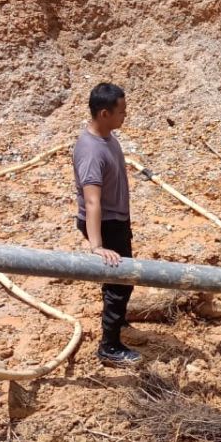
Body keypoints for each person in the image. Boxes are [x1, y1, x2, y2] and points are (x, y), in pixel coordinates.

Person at [73, 82, 141, 366]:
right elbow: (92, 202)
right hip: (106, 222)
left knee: (120, 280)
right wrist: (97, 245)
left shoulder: (108, 137)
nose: (125, 115)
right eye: (121, 111)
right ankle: (109, 347)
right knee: (120, 282)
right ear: (104, 114)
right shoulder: (91, 152)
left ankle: (118, 320)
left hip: (116, 219)